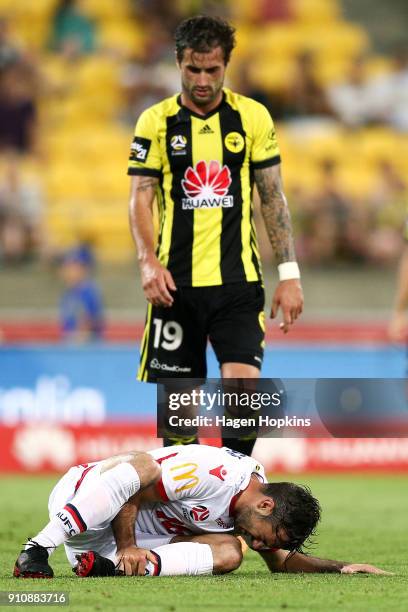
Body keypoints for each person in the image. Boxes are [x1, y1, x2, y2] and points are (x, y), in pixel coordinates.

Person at [127, 16, 304, 454]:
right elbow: (140, 197)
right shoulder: (155, 121)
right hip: (175, 287)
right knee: (179, 414)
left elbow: (273, 198)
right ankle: (184, 515)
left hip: (237, 284)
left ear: (227, 64)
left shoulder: (251, 117)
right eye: (193, 69)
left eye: (212, 70)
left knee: (242, 395)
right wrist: (148, 261)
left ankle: (234, 505)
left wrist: (289, 272)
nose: (202, 80)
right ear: (178, 62)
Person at [13, 444, 388, 578]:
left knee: (229, 553)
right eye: (264, 537)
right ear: (265, 504)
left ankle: (113, 570)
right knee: (144, 467)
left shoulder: (258, 511)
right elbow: (133, 493)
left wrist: (341, 567)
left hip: (98, 551)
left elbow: (282, 562)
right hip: (81, 503)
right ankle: (37, 549)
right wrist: (127, 543)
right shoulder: (214, 473)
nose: (259, 545)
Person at [59, 245, 104, 342]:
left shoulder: (89, 292)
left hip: (86, 347)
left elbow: (88, 323)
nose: (68, 271)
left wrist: (77, 339)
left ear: (84, 269)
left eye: (73, 267)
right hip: (71, 344)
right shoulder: (68, 293)